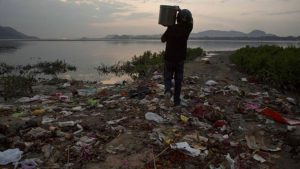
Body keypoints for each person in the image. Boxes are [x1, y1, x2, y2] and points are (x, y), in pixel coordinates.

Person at [161, 8, 193, 106]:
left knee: (167, 77)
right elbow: (191, 22)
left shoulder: (171, 28)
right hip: (180, 59)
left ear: (177, 18)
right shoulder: (187, 29)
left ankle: (167, 90)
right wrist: (180, 11)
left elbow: (163, 39)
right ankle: (176, 101)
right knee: (178, 80)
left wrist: (170, 24)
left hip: (169, 58)